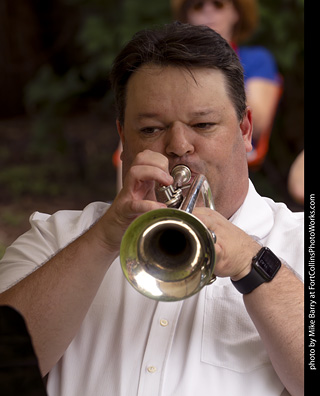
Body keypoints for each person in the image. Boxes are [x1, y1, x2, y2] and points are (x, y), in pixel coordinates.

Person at [0, 23, 303, 396]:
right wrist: (104, 238)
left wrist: (252, 263)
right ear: (123, 139)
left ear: (245, 130)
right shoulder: (56, 237)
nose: (178, 146)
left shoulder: (299, 240)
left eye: (203, 124)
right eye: (150, 129)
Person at [171, 0, 281, 167]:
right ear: (188, 16)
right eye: (198, 6)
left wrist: (209, 66)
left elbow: (258, 122)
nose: (209, 11)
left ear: (236, 13)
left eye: (218, 4)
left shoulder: (257, 59)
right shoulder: (172, 64)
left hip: (232, 162)